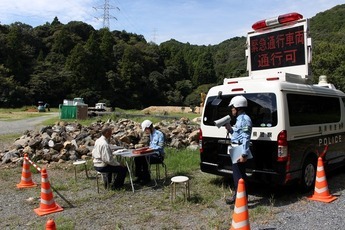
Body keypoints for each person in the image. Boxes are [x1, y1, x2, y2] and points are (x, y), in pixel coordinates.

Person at [225, 95, 253, 204]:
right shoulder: (239, 119)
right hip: (236, 148)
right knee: (238, 175)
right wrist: (230, 129)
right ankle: (239, 196)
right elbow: (238, 135)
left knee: (239, 176)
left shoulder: (245, 119)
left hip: (240, 150)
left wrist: (244, 154)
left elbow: (246, 137)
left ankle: (240, 198)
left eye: (233, 107)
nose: (231, 109)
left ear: (238, 107)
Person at [134, 120, 165, 185]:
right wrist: (146, 148)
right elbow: (151, 145)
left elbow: (160, 147)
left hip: (158, 155)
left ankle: (146, 178)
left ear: (149, 127)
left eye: (146, 129)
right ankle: (139, 177)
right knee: (137, 158)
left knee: (144, 158)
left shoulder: (159, 134)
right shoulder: (151, 134)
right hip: (151, 153)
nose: (146, 131)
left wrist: (150, 149)